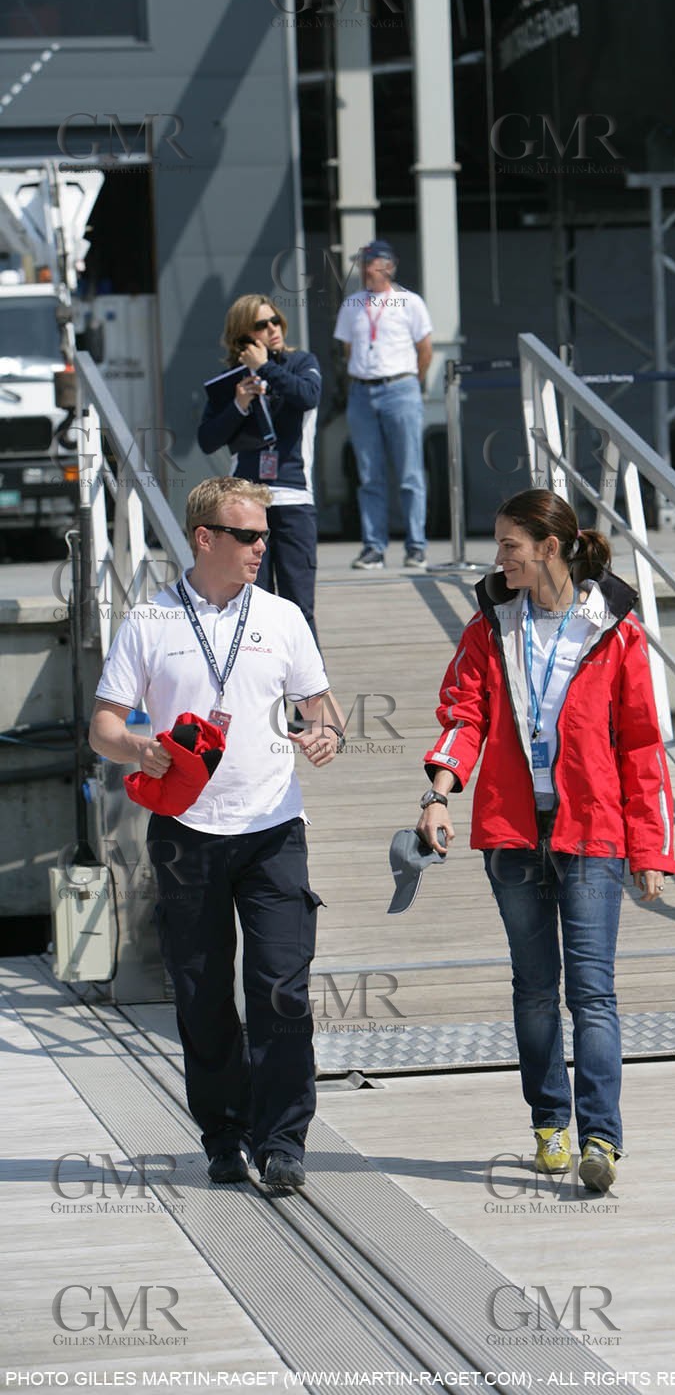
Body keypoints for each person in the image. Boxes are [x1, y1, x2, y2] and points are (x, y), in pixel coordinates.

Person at [88, 477, 346, 1191]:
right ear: (205, 538)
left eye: (266, 535)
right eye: (249, 536)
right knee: (202, 993)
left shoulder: (283, 617)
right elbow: (103, 725)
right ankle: (225, 1136)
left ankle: (283, 1141)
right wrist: (137, 747)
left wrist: (324, 734)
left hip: (273, 829)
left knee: (281, 989)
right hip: (185, 834)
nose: (263, 547)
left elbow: (322, 708)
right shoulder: (150, 620)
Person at [416, 488, 675, 1192]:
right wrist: (439, 794)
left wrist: (650, 850)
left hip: (592, 831)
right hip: (511, 833)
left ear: (549, 548)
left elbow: (641, 746)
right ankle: (549, 1124)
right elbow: (463, 715)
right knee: (534, 990)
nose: (499, 558)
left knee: (592, 992)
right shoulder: (490, 627)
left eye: (510, 545)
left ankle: (601, 1139)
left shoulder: (616, 631)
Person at [198, 295, 323, 641]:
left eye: (275, 321)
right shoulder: (231, 380)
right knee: (251, 603)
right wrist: (239, 404)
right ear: (243, 334)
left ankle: (309, 677)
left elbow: (308, 396)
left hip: (293, 499)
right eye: (261, 325)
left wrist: (266, 367)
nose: (273, 329)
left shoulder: (301, 363)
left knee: (299, 606)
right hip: (245, 506)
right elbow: (207, 440)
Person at [332, 238, 433, 571]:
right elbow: (347, 349)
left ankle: (416, 546)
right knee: (368, 475)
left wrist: (411, 384)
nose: (365, 269)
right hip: (362, 392)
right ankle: (374, 547)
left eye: (371, 263)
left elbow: (425, 350)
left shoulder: (410, 302)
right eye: (363, 263)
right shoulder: (352, 304)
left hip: (400, 389)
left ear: (388, 266)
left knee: (410, 473)